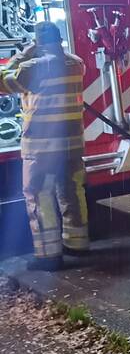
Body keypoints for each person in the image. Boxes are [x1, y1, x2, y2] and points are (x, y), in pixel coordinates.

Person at [0, 22, 88, 271]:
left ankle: (49, 256)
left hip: (42, 148)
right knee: (72, 192)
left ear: (38, 43)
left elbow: (3, 82)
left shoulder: (32, 67)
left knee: (40, 196)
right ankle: (77, 244)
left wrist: (22, 54)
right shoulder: (76, 63)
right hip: (72, 145)